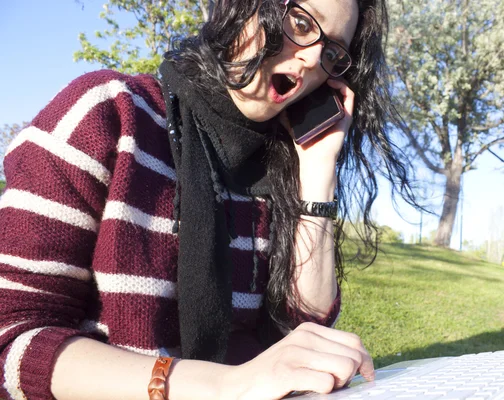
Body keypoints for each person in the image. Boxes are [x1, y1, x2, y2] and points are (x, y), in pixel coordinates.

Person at [0, 0, 416, 399]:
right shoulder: (110, 114)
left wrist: (319, 168)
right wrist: (226, 386)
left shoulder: (284, 169)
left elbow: (304, 328)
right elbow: (14, 337)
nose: (312, 61)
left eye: (334, 54)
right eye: (303, 25)